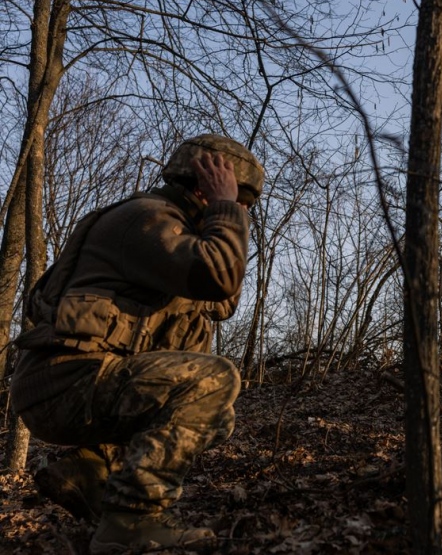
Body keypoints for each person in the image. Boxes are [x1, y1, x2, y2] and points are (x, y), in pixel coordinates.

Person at [9, 134, 264, 554]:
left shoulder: (176, 231)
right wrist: (224, 208)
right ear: (203, 186)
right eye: (240, 201)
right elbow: (219, 275)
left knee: (218, 416)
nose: (242, 213)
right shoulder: (148, 219)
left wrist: (220, 216)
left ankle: (90, 471)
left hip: (83, 380)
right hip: (65, 381)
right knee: (213, 380)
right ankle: (132, 519)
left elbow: (221, 301)